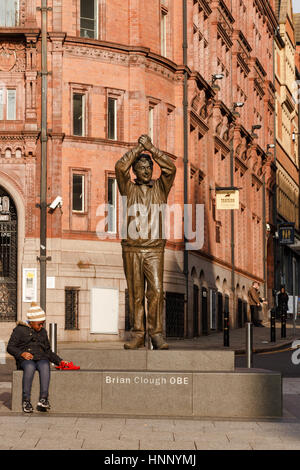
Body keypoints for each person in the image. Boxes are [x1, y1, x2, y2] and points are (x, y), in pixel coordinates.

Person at [115, 134, 176, 350]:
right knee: (136, 294)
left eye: (148, 167)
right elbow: (120, 167)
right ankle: (138, 334)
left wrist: (151, 148)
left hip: (154, 249)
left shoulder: (160, 188)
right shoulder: (127, 189)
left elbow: (170, 168)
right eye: (141, 167)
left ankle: (156, 334)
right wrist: (137, 148)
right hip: (132, 249)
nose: (146, 170)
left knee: (157, 291)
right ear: (135, 170)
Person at [7, 302, 67, 413]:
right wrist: (21, 353)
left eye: (42, 324)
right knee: (30, 367)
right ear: (31, 322)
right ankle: (26, 400)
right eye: (39, 324)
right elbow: (10, 347)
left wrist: (60, 361)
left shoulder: (43, 332)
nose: (41, 326)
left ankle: (43, 399)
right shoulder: (19, 330)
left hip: (41, 358)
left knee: (45, 365)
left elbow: (48, 351)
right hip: (26, 360)